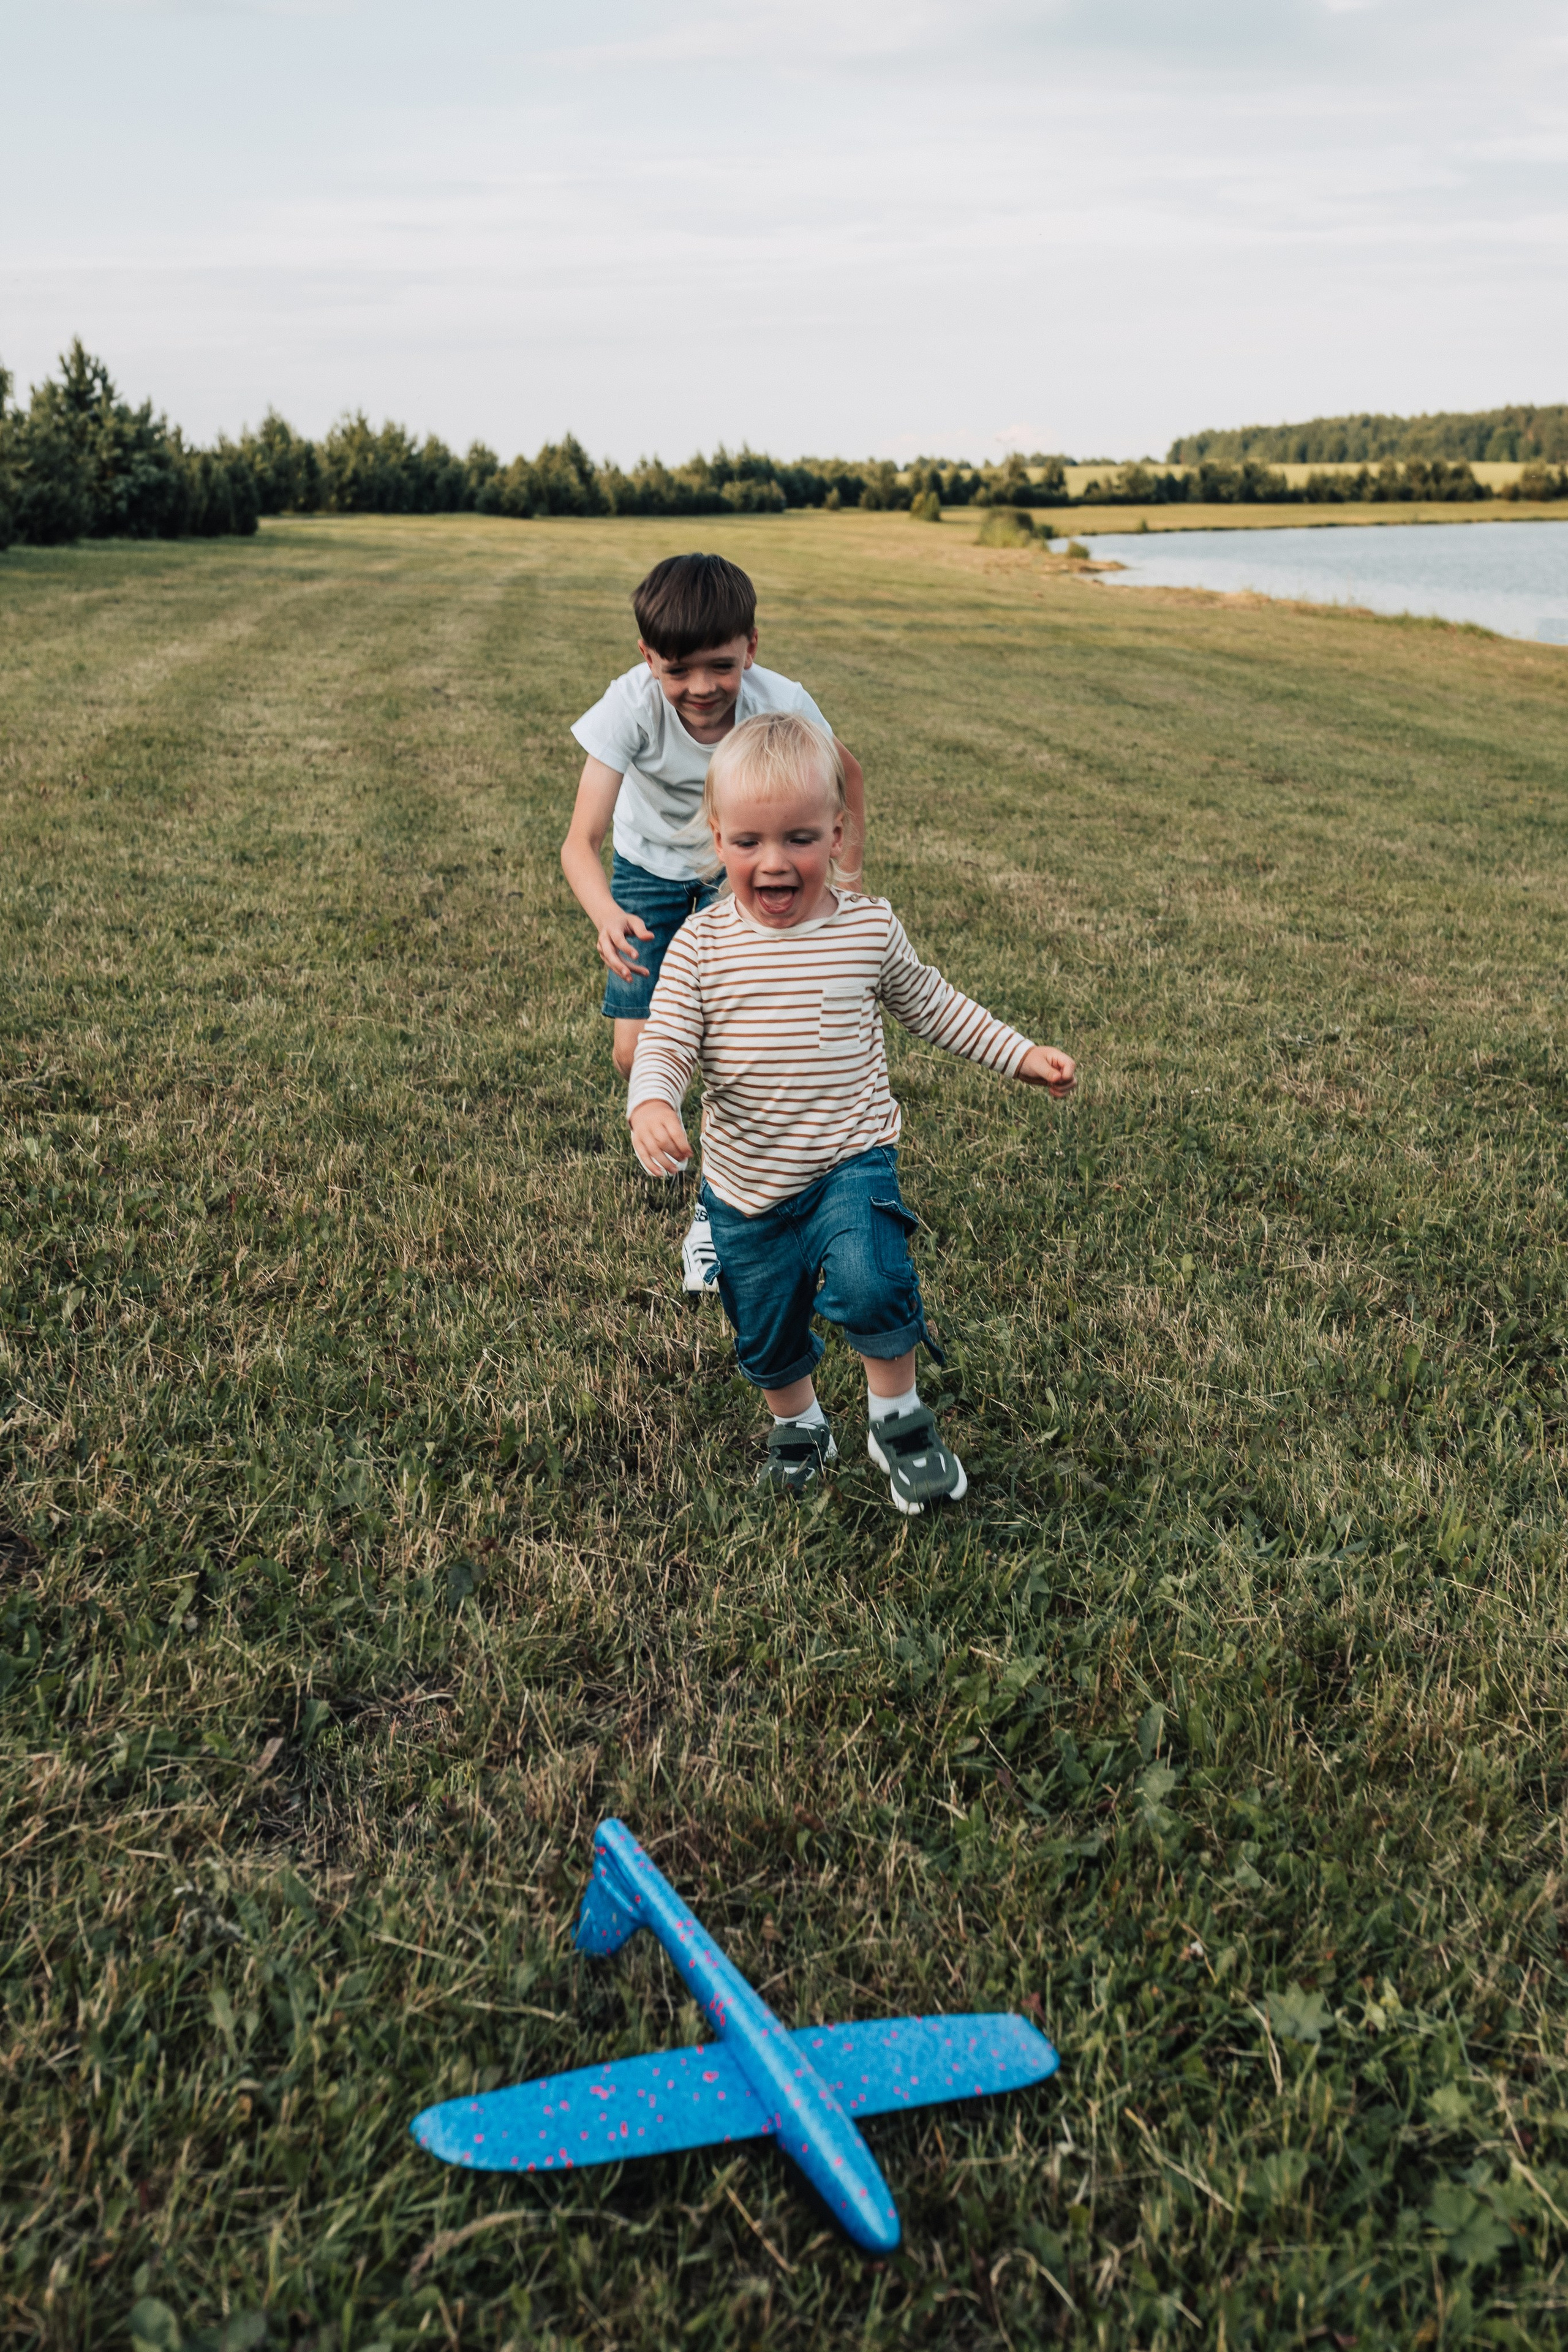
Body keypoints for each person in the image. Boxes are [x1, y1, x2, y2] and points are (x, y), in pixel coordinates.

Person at [626, 709, 1076, 1514]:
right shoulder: (700, 945)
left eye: (800, 838)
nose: (774, 862)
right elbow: (665, 1039)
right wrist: (653, 1098)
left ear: (837, 834)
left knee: (874, 1280)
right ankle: (800, 1423)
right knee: (765, 1333)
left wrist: (1020, 1054)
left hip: (850, 1160)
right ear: (717, 836)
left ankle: (898, 1418)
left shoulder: (867, 930)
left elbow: (935, 1005)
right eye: (748, 842)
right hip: (745, 1188)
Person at [561, 552, 865, 1293]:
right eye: (679, 670)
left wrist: (847, 877)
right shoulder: (629, 707)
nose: (701, 688)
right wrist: (606, 913)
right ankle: (673, 1121)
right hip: (646, 876)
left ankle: (723, 1203)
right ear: (648, 659)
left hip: (744, 872)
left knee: (743, 1042)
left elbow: (846, 776)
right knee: (635, 1055)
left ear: (751, 648)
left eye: (721, 666)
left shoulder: (779, 699)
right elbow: (580, 842)